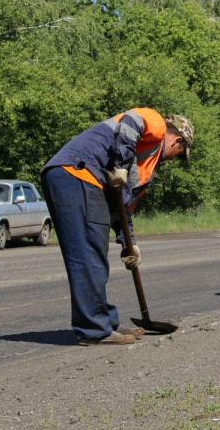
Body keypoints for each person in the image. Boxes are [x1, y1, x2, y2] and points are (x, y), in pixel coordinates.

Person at [41, 109, 194, 345]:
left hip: (86, 181)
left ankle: (105, 323)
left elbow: (123, 207)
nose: (175, 158)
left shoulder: (146, 166)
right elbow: (130, 123)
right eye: (180, 152)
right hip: (75, 174)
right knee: (87, 255)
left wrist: (129, 244)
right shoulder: (155, 122)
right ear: (178, 140)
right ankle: (94, 330)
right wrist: (122, 165)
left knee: (95, 255)